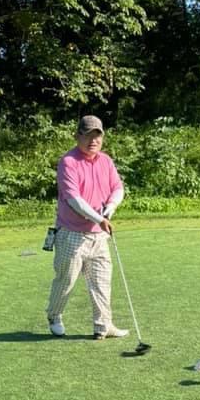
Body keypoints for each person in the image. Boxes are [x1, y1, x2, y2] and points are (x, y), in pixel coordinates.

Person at [46, 115, 129, 340]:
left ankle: (103, 325)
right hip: (71, 233)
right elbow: (74, 201)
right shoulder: (68, 162)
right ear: (77, 136)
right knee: (66, 281)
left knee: (101, 281)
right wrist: (99, 219)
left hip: (98, 236)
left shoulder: (106, 161)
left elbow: (117, 188)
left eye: (97, 136)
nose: (93, 141)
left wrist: (110, 208)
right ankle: (54, 316)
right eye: (87, 135)